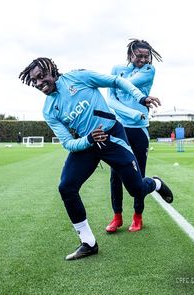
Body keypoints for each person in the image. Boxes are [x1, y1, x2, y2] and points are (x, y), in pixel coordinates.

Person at [19, 57, 173, 260]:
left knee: (136, 189)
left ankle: (155, 183)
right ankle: (88, 243)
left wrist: (139, 98)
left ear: (52, 71)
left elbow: (115, 81)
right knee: (66, 187)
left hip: (112, 137)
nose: (39, 83)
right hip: (87, 145)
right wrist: (88, 140)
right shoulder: (49, 110)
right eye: (34, 81)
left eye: (41, 76)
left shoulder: (79, 77)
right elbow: (67, 143)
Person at [105, 39, 166, 233]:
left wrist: (135, 116)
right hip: (118, 128)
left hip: (139, 129)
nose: (142, 60)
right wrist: (132, 113)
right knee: (115, 175)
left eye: (145, 56)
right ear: (130, 55)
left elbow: (124, 85)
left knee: (137, 177)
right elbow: (111, 100)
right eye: (138, 56)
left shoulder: (149, 71)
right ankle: (117, 217)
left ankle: (138, 216)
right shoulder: (116, 68)